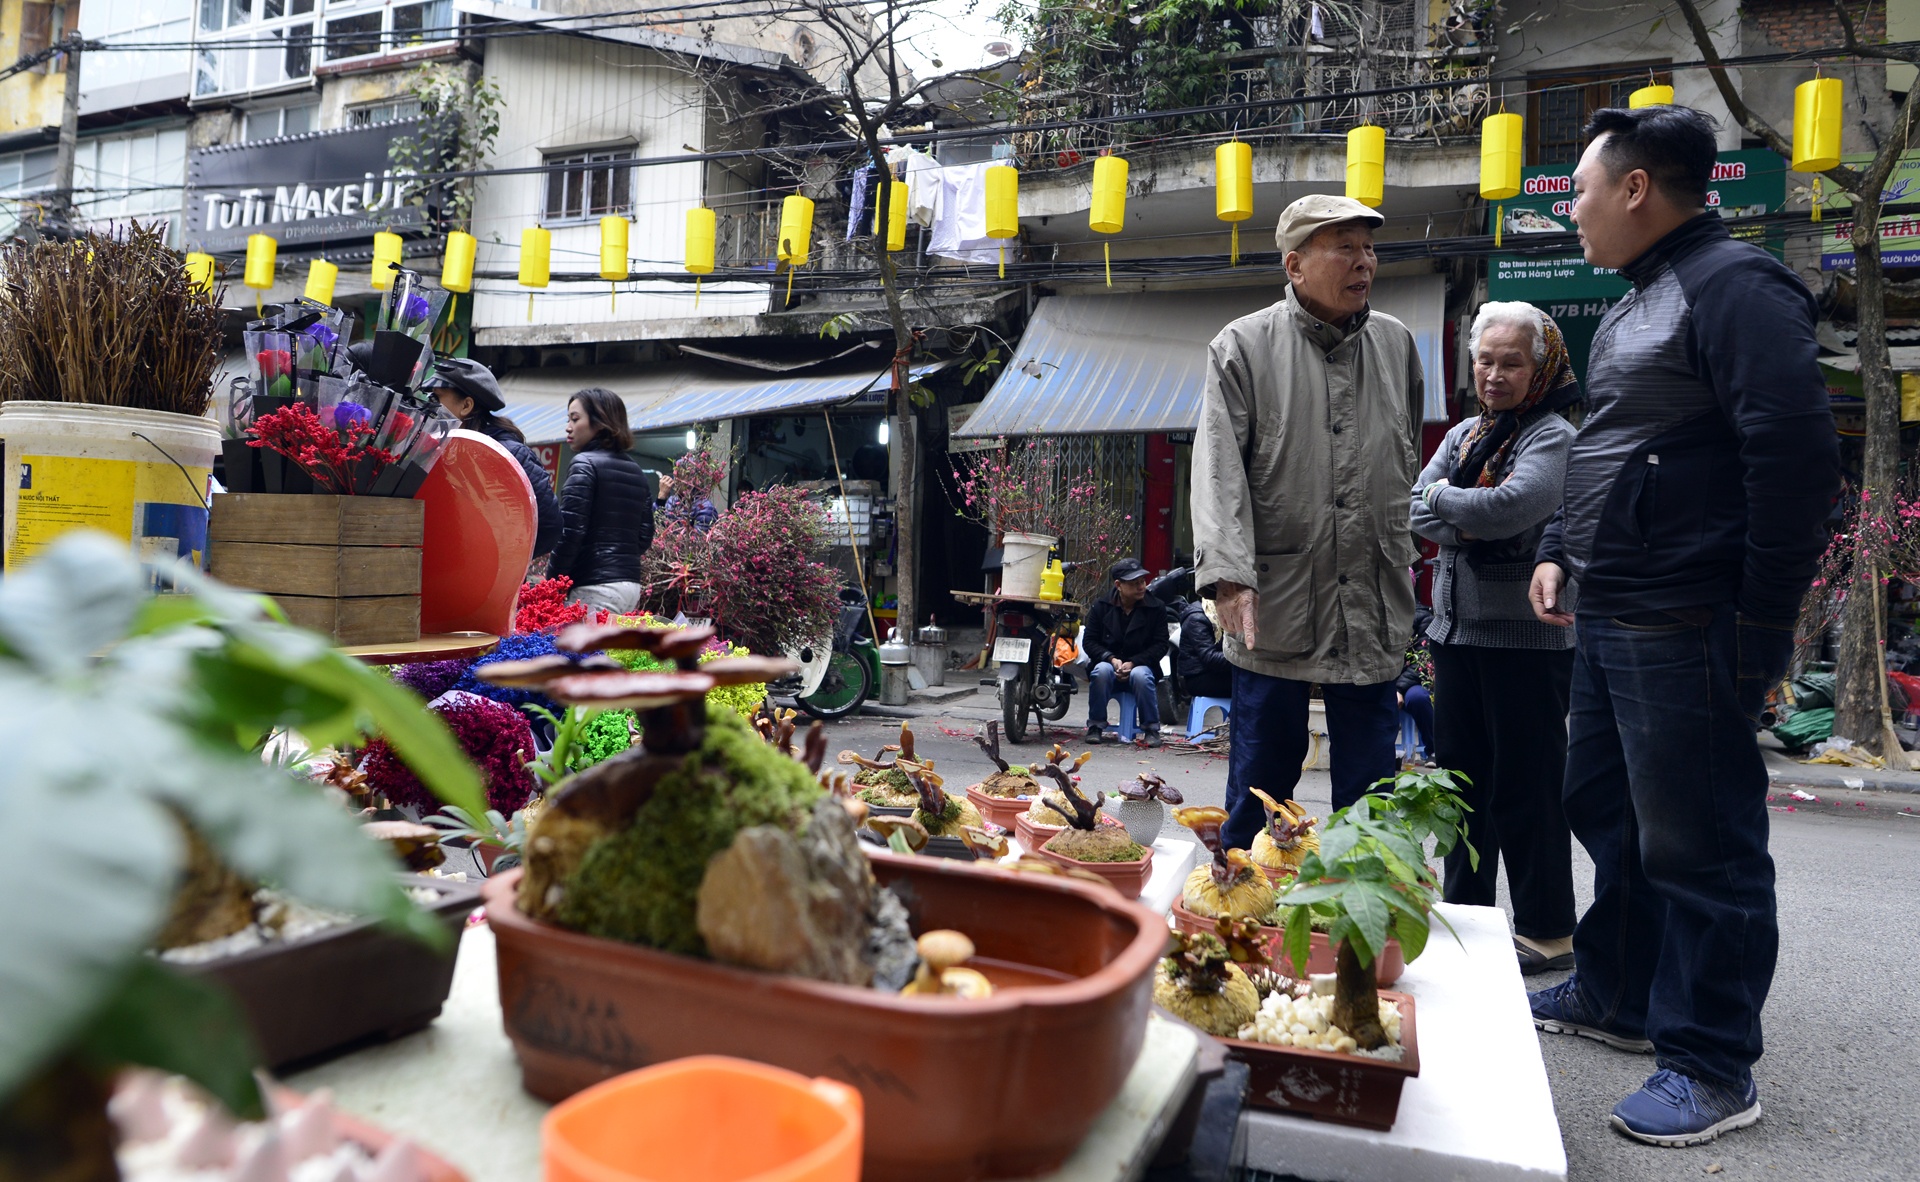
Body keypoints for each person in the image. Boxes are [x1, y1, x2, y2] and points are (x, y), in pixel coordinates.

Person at [1527, 105, 1838, 1147]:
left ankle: (1711, 1063)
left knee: (1700, 842)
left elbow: (1794, 465)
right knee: (1604, 805)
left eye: (1578, 189)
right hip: (1615, 603)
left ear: (1635, 188)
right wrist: (1565, 550)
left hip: (1690, 611)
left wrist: (1761, 629)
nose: (1570, 210)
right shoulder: (1638, 297)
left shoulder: (1737, 286)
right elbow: (1616, 442)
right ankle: (1617, 994)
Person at [1192, 193, 1425, 846]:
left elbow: (1402, 461)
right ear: (1295, 265)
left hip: (1371, 593)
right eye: (1344, 248)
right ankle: (1241, 918)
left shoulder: (1397, 345)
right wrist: (1228, 576)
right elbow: (1217, 472)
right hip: (1275, 598)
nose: (1365, 263)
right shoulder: (1240, 346)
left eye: (1369, 248)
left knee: (1370, 800)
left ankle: (1357, 933)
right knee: (1261, 793)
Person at [1410, 300, 1583, 975]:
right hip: (1457, 636)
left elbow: (1516, 505)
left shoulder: (1552, 438)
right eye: (1485, 360)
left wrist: (1447, 504)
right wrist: (1463, 512)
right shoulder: (1462, 437)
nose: (1494, 374)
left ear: (1539, 369)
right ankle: (1468, 914)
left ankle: (1548, 930)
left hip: (1527, 642)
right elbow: (1411, 510)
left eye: (1512, 362)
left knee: (1529, 789)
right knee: (1459, 788)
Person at [424, 358, 562, 561]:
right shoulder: (437, 450)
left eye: (436, 399)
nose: (429, 405)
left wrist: (500, 561)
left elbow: (549, 525)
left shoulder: (508, 454)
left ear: (466, 405)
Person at [550, 388, 656, 615]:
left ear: (600, 422)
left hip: (593, 586)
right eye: (568, 419)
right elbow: (644, 537)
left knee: (584, 651)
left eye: (575, 419)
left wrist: (552, 585)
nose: (568, 427)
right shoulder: (636, 471)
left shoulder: (584, 464)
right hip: (630, 586)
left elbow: (569, 533)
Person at [1082, 558, 1169, 747]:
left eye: (1142, 582)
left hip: (1142, 665)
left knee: (1141, 675)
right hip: (1110, 665)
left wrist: (1134, 662)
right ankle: (1095, 726)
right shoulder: (1101, 606)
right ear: (1118, 585)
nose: (1141, 587)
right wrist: (1111, 659)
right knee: (1101, 671)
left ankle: (1151, 729)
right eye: (1134, 583)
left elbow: (1161, 644)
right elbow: (1089, 642)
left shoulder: (1157, 608)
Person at [1393, 604, 1434, 760]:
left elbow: (1422, 661)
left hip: (1413, 682)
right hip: (1384, 679)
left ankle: (1433, 750)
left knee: (1418, 698)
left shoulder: (1423, 618)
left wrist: (1398, 689)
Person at [1177, 596, 1233, 702]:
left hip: (1218, 672)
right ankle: (1236, 717)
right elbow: (1210, 657)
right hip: (1198, 677)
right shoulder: (1196, 618)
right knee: (1249, 683)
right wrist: (1240, 657)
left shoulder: (1221, 613)